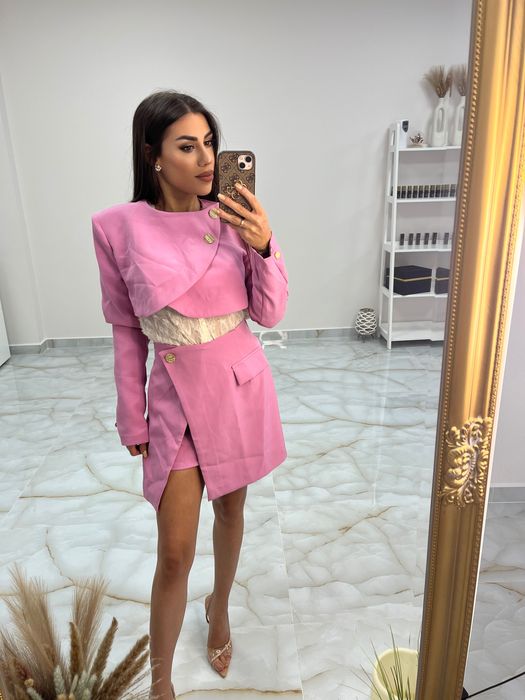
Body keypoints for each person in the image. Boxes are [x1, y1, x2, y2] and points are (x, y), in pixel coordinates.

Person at [91, 90, 289, 699]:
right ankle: (160, 683)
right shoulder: (117, 227)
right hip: (174, 402)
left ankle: (220, 609)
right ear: (152, 154)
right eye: (187, 146)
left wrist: (264, 244)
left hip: (237, 388)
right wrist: (132, 417)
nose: (206, 159)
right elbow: (127, 331)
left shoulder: (232, 217)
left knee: (231, 512)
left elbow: (270, 313)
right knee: (174, 553)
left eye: (209, 143)